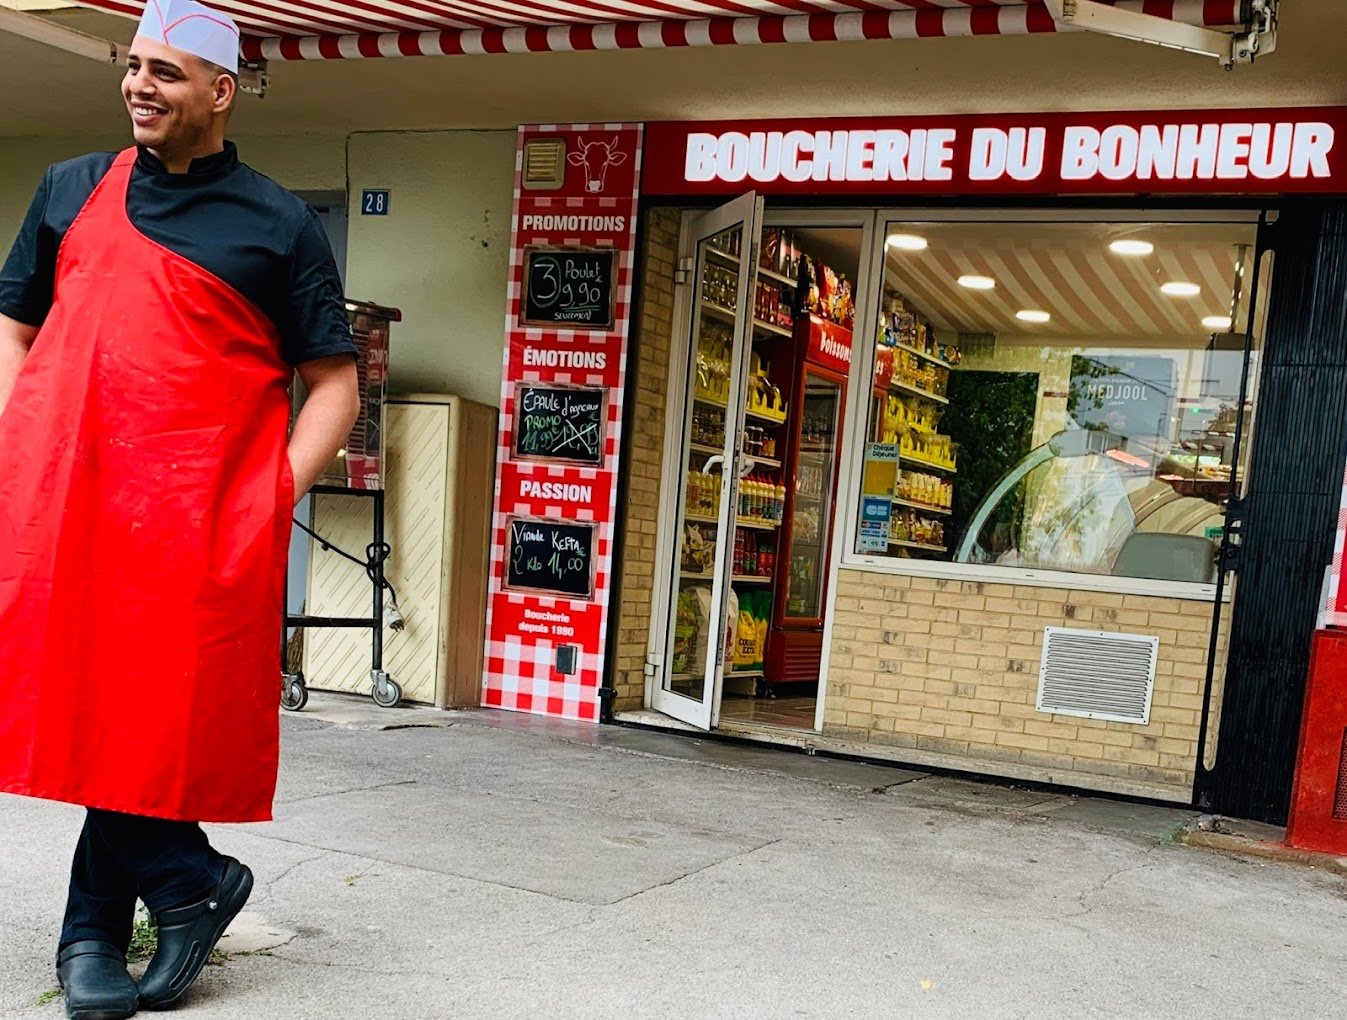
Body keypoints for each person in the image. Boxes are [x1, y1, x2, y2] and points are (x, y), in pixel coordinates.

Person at [0, 2, 361, 1017]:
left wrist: (274, 488)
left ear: (219, 90)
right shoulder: (69, 188)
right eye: (132, 65)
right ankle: (183, 883)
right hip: (69, 504)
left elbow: (334, 380)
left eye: (166, 70)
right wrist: (23, 442)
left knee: (146, 717)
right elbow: (14, 323)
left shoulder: (279, 222)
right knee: (64, 694)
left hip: (196, 516)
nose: (138, 84)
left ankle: (98, 933)